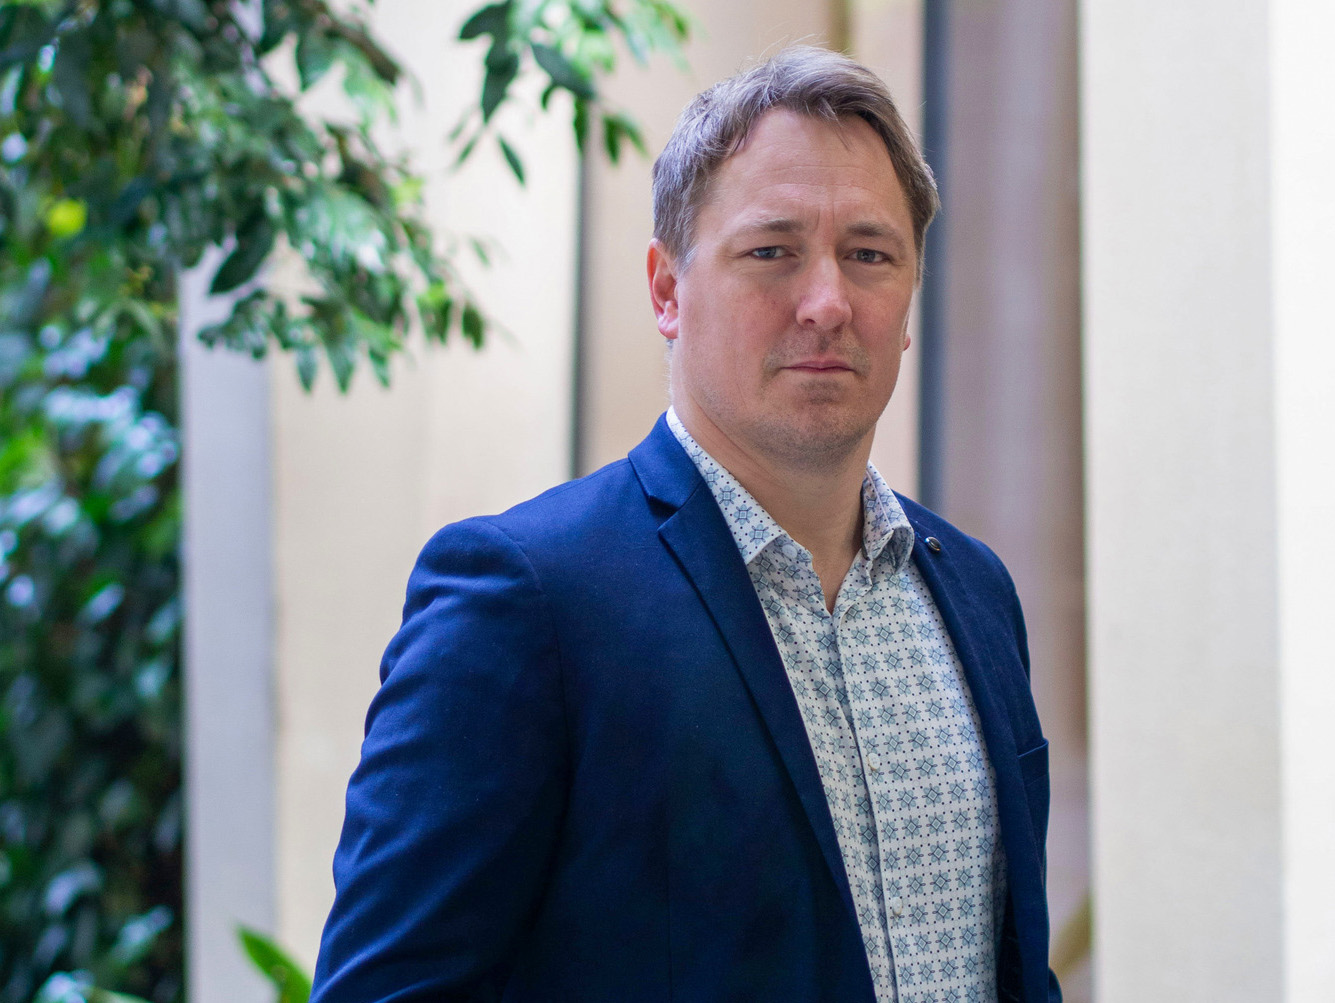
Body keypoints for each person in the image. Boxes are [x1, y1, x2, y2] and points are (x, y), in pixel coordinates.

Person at [311, 45, 1059, 1003]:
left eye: (868, 255)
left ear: (909, 299)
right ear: (667, 288)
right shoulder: (527, 600)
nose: (828, 302)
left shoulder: (976, 593)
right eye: (771, 251)